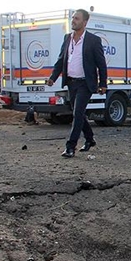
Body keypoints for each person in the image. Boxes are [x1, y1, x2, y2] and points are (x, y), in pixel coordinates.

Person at [47, 9, 108, 158]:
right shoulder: (67, 38)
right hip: (71, 83)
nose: (73, 21)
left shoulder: (93, 40)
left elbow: (101, 64)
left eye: (77, 18)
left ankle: (70, 147)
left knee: (77, 113)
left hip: (85, 83)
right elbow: (61, 60)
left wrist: (103, 84)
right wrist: (53, 77)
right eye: (73, 18)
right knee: (78, 113)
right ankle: (90, 139)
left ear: (85, 22)